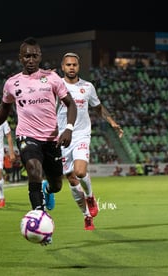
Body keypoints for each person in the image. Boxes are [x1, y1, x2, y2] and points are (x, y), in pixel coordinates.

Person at [0, 37, 77, 237]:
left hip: (52, 139)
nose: (31, 59)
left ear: (40, 57)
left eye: (34, 56)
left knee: (57, 185)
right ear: (20, 57)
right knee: (34, 170)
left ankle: (47, 189)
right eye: (27, 56)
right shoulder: (12, 83)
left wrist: (68, 128)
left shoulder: (52, 78)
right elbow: (5, 107)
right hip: (27, 136)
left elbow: (71, 104)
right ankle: (40, 222)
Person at [58, 52, 123, 230]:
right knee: (71, 179)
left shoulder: (87, 87)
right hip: (63, 138)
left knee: (79, 171)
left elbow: (98, 107)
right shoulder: (56, 86)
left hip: (81, 134)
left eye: (74, 65)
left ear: (78, 67)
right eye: (68, 65)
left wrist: (112, 123)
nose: (71, 67)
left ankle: (90, 196)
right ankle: (86, 215)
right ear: (62, 67)